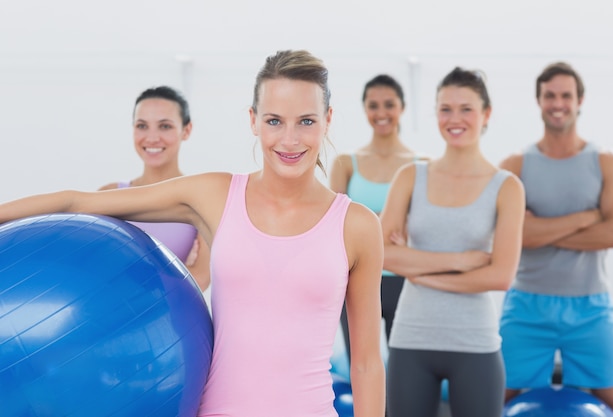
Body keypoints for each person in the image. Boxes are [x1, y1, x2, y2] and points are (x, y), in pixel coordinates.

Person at [0, 49, 386, 417]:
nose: (289, 139)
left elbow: (367, 362)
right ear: (252, 119)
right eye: (274, 121)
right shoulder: (215, 195)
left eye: (306, 120)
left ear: (328, 119)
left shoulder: (357, 225)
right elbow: (76, 203)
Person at [379, 67, 525, 417]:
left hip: (474, 341)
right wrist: (460, 260)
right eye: (445, 109)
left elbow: (500, 276)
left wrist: (419, 270)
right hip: (411, 338)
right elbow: (381, 254)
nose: (454, 118)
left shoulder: (506, 187)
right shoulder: (411, 175)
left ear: (486, 114)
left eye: (466, 109)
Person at [498, 61, 613, 416]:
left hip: (591, 306)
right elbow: (512, 236)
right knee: (496, 394)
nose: (558, 103)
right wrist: (587, 218)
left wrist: (540, 230)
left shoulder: (607, 162)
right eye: (550, 96)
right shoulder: (515, 165)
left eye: (566, 96)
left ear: (579, 100)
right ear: (539, 101)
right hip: (526, 305)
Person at [329, 74, 419, 362]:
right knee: (362, 366)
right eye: (373, 105)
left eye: (389, 104)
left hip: (404, 280)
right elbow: (333, 225)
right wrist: (390, 221)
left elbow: (421, 227)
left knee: (403, 374)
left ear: (402, 108)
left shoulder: (421, 166)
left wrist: (361, 220)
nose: (381, 113)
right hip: (357, 279)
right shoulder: (345, 163)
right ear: (365, 109)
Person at [98, 85, 211, 292]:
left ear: (186, 130)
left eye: (165, 126)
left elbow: (200, 280)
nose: (152, 138)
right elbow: (95, 267)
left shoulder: (199, 199)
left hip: (168, 321)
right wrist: (177, 273)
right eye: (142, 126)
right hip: (111, 318)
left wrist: (127, 278)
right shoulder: (109, 194)